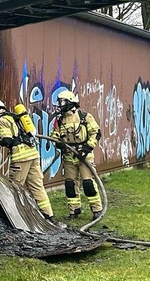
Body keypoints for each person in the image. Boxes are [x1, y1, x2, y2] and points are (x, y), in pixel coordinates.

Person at [0, 99, 58, 224]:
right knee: (37, 187)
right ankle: (48, 216)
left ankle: (16, 219)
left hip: (20, 159)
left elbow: (7, 141)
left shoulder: (2, 120)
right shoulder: (14, 117)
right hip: (33, 155)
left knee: (14, 188)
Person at [50, 90, 103, 220]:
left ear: (70, 102)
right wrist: (58, 143)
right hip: (69, 156)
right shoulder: (60, 120)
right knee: (70, 185)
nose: (60, 105)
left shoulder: (84, 116)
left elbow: (96, 133)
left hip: (84, 156)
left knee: (88, 183)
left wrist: (87, 148)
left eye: (62, 102)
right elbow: (54, 135)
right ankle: (74, 210)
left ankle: (97, 210)